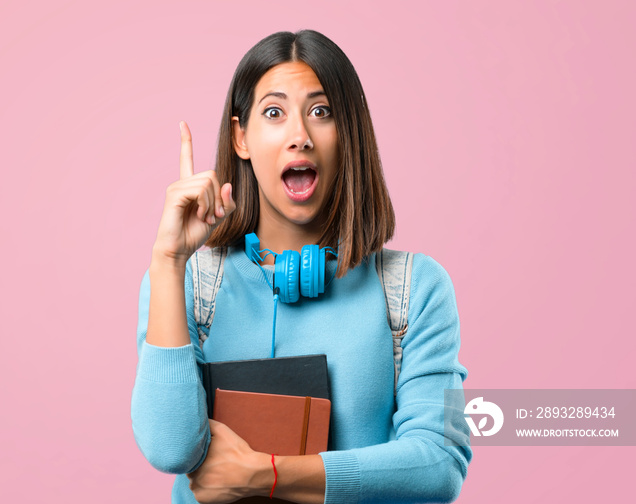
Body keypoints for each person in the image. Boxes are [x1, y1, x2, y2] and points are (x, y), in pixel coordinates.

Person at [131, 30, 472, 504]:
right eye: (274, 113)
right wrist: (168, 261)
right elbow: (170, 449)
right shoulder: (187, 282)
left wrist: (269, 474)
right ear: (241, 138)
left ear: (347, 134)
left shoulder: (415, 289)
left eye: (321, 111)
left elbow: (438, 464)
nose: (300, 136)